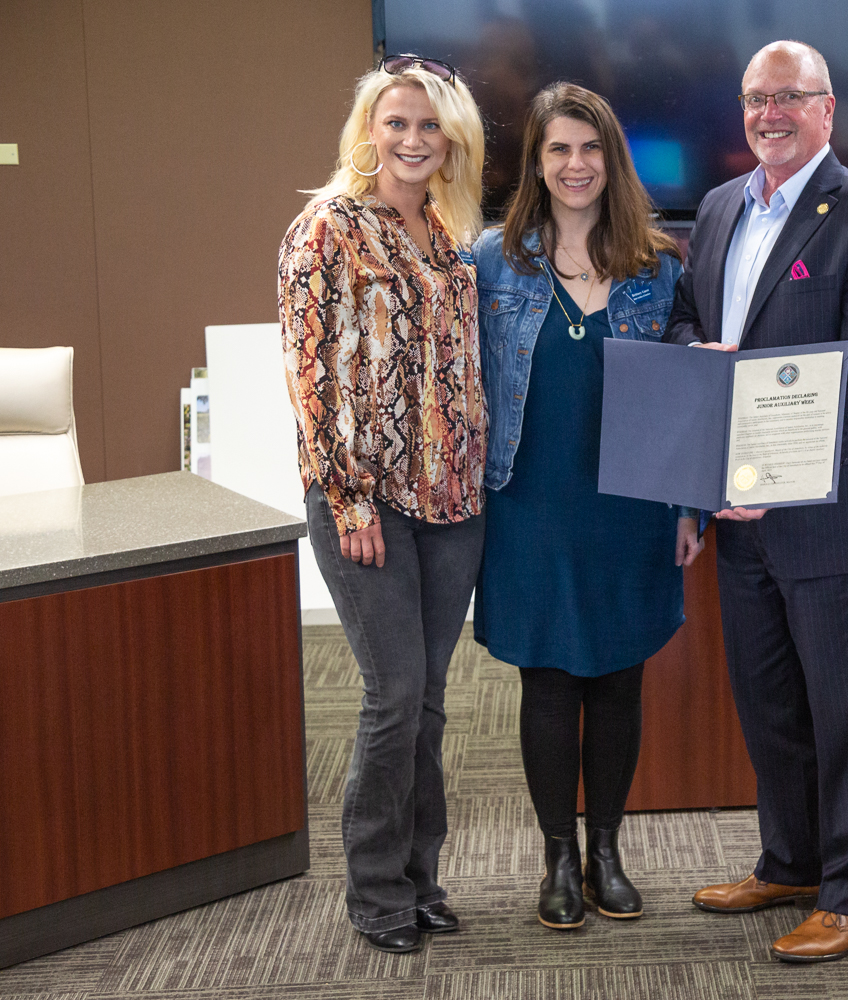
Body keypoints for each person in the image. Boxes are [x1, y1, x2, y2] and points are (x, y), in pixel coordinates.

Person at [666, 40, 848, 963]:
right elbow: (694, 320)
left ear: (827, 109)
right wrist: (698, 360)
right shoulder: (724, 206)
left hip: (827, 513)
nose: (769, 114)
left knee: (844, 708)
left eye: (789, 98)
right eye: (755, 100)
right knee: (770, 701)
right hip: (738, 516)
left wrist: (769, 466)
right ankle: (792, 860)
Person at [470, 82, 703, 931]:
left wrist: (688, 508)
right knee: (550, 677)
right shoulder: (489, 260)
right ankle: (557, 856)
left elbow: (685, 402)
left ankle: (606, 849)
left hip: (631, 506)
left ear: (614, 159)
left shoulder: (659, 265)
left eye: (591, 148)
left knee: (618, 677)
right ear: (536, 160)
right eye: (559, 149)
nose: (576, 165)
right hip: (530, 502)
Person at [278, 55, 487, 954]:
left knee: (432, 699)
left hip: (452, 503)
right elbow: (310, 377)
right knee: (392, 694)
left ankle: (420, 877)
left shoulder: (446, 233)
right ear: (368, 130)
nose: (411, 139)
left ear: (453, 140)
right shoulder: (324, 229)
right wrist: (347, 496)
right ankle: (373, 893)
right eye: (395, 123)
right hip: (366, 505)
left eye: (430, 126)